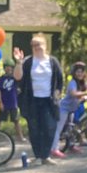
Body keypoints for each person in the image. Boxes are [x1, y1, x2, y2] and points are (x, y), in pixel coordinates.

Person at [13, 34, 64, 164]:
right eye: (33, 45)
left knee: (49, 127)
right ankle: (38, 156)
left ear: (45, 46)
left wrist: (57, 92)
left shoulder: (52, 61)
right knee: (34, 128)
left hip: (48, 100)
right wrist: (19, 62)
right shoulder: (28, 62)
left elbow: (59, 79)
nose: (36, 47)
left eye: (38, 44)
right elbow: (18, 77)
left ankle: (46, 156)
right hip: (32, 100)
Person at [50, 61, 87, 158]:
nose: (80, 74)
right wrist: (86, 94)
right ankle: (54, 149)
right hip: (64, 108)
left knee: (71, 128)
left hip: (72, 109)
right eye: (78, 72)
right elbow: (73, 94)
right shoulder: (72, 83)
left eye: (81, 72)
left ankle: (71, 145)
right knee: (58, 128)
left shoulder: (83, 83)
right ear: (74, 73)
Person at [0, 60, 25, 143]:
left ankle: (21, 136)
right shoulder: (1, 79)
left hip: (13, 103)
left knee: (16, 121)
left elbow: (19, 88)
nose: (9, 69)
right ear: (4, 68)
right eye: (7, 67)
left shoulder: (15, 78)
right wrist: (0, 102)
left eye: (10, 67)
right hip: (4, 102)